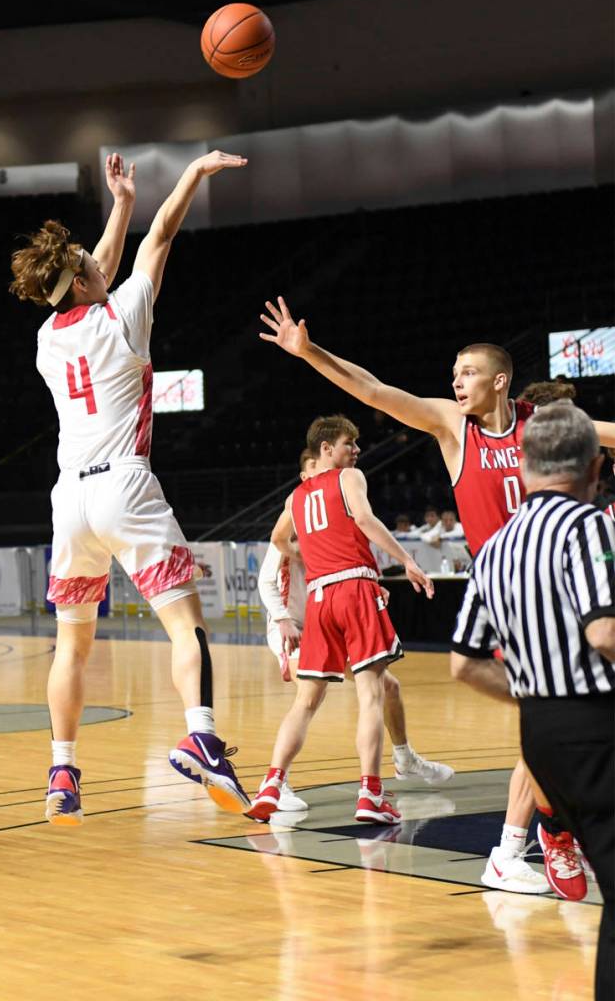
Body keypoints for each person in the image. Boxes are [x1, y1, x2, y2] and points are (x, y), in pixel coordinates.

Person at [258, 296, 615, 894]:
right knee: (553, 708)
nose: (456, 380)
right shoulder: (453, 427)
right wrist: (308, 351)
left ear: (500, 380)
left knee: (561, 714)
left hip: (564, 582)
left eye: (467, 372)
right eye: (454, 373)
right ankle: (538, 834)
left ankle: (540, 832)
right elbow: (373, 391)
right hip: (509, 591)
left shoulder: (543, 425)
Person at [10, 149, 251, 825]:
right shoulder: (122, 317)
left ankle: (62, 771)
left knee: (72, 646)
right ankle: (201, 736)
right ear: (87, 278)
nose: (96, 262)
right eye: (88, 262)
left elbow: (95, 271)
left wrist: (119, 201)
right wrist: (190, 177)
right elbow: (160, 239)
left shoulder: (45, 339)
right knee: (186, 627)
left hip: (69, 502)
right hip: (124, 486)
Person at [449, 403, 614, 1000]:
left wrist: (534, 692)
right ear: (596, 468)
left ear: (521, 467)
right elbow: (603, 632)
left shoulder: (494, 548)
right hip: (596, 724)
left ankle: (547, 836)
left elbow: (463, 663)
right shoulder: (587, 525)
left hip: (538, 733)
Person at [245, 414, 434, 824]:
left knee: (305, 702)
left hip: (319, 597)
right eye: (350, 443)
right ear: (326, 449)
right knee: (371, 695)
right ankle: (370, 794)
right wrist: (407, 561)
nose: (357, 451)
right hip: (353, 589)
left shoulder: (294, 498)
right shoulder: (349, 478)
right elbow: (365, 521)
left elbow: (278, 539)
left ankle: (271, 785)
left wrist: (310, 557)